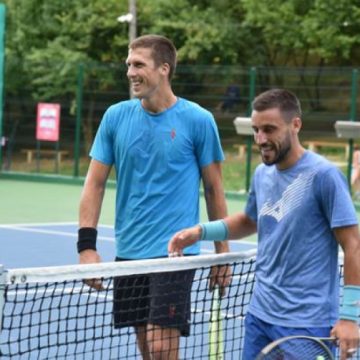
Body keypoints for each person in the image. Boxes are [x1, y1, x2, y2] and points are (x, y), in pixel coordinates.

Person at [168, 88, 360, 360]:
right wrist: (200, 232)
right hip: (259, 317)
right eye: (256, 130)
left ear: (296, 125)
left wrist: (351, 317)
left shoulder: (324, 176)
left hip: (306, 323)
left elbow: (353, 246)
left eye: (269, 129)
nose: (260, 139)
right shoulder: (262, 173)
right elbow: (249, 220)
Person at [77, 34, 231, 360]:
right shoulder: (115, 117)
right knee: (148, 348)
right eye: (128, 65)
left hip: (176, 253)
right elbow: (94, 184)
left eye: (138, 65)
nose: (131, 72)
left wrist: (222, 253)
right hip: (130, 251)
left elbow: (214, 189)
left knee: (161, 347)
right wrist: (87, 248)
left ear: (164, 69)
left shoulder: (198, 120)